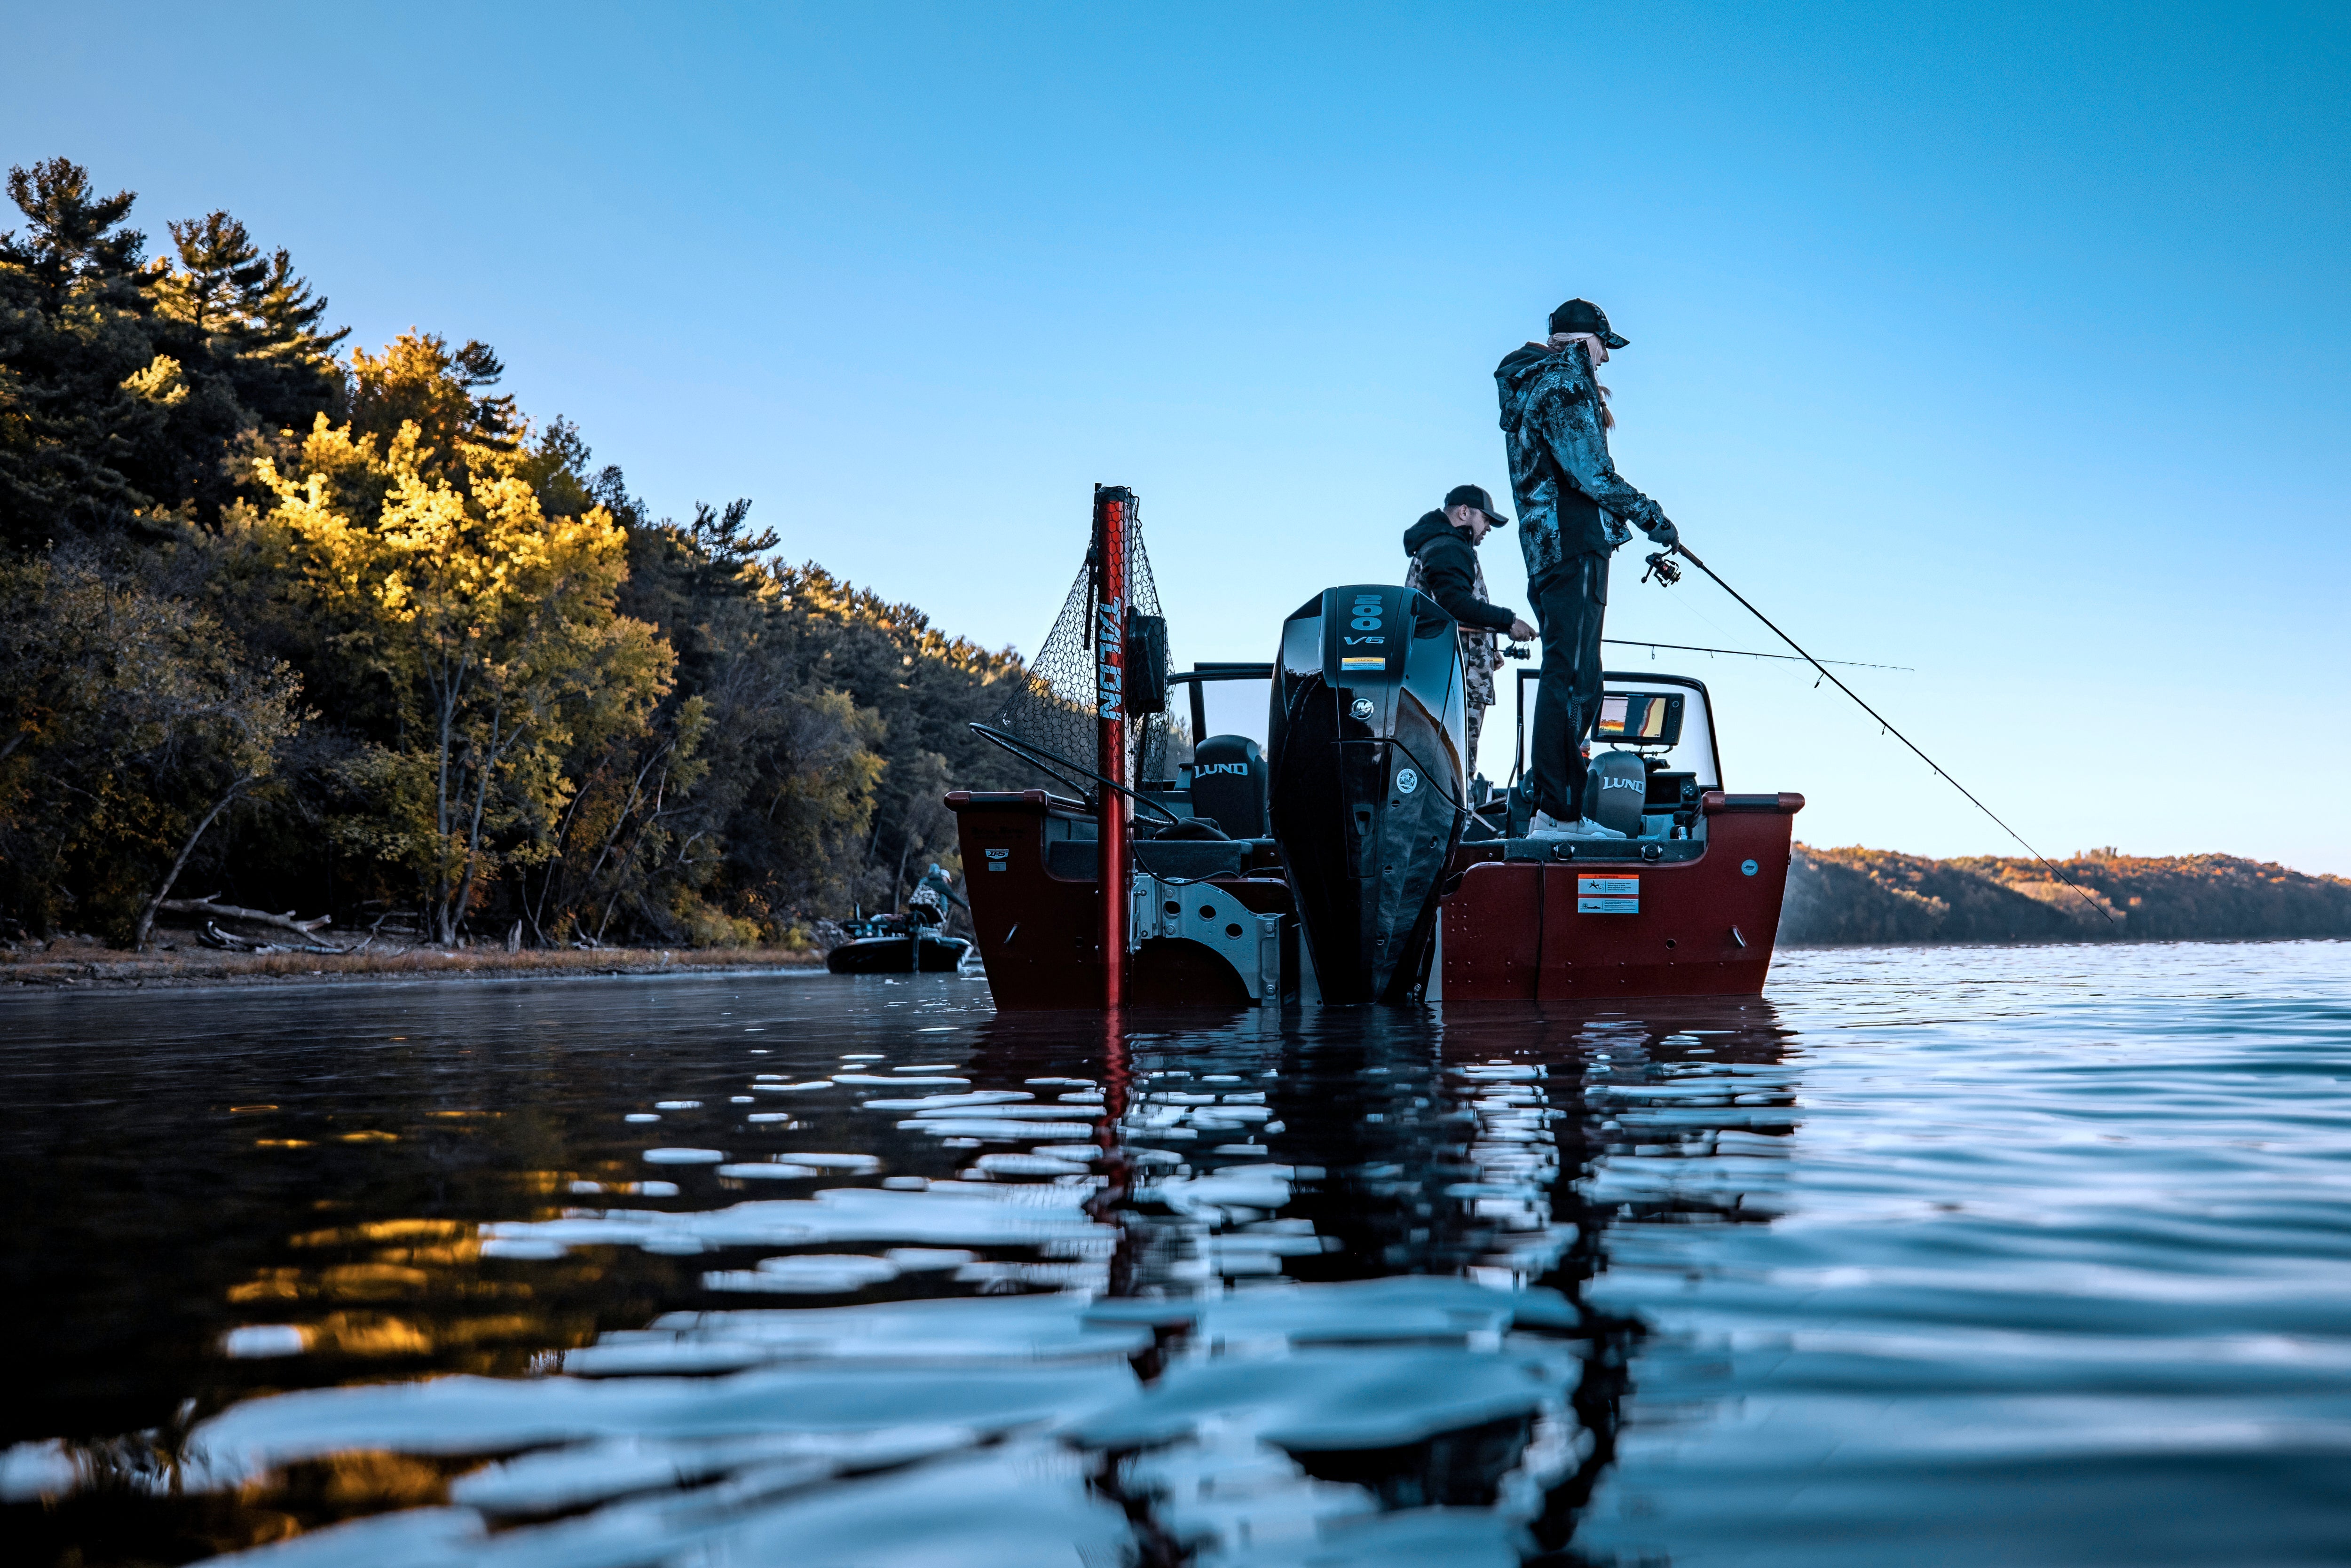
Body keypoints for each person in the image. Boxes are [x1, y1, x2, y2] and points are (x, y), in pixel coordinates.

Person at [1496, 299, 1681, 838]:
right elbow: (1593, 474)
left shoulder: (1535, 382)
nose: (1605, 360)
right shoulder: (1560, 384)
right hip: (1573, 545)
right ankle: (1558, 813)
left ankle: (1555, 808)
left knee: (1574, 673)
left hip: (1552, 549)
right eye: (1604, 347)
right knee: (1573, 676)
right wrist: (1653, 517)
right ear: (1583, 340)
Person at [1402, 483, 1538, 779]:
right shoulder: (1449, 545)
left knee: (1440, 762)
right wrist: (1509, 622)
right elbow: (1454, 606)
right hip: (1453, 684)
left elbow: (1437, 611)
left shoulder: (1439, 544)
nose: (1488, 528)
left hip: (1440, 680)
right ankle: (1448, 824)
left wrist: (1488, 650)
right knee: (1455, 767)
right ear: (1465, 512)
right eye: (1486, 519)